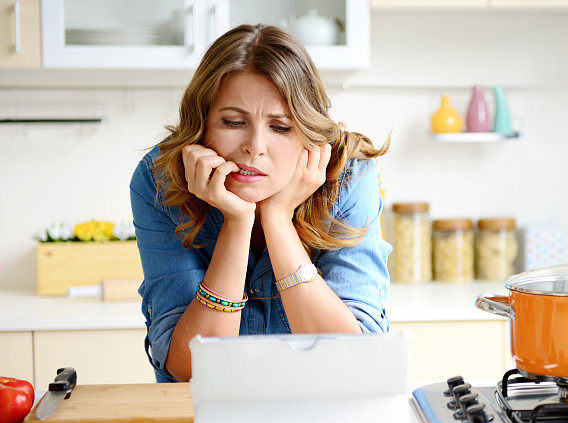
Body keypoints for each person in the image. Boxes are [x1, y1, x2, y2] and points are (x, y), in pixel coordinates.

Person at [130, 25, 392, 383]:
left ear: (306, 132)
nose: (255, 146)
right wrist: (238, 223)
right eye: (234, 122)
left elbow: (353, 362)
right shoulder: (161, 180)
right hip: (206, 422)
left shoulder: (346, 178)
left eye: (280, 127)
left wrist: (277, 218)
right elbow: (191, 369)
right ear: (203, 124)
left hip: (323, 416)